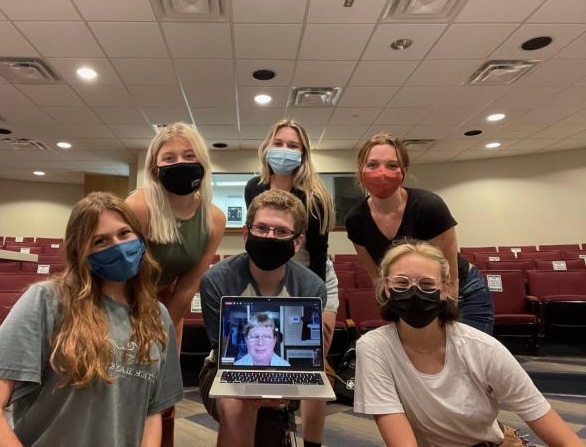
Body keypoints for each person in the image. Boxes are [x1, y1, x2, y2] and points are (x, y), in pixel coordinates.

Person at [0, 192, 183, 447]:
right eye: (101, 241)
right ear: (80, 253)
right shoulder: (48, 301)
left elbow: (151, 413)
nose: (118, 246)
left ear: (140, 238)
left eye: (124, 233)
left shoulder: (157, 316)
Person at [354, 239, 582, 447]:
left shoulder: (482, 348)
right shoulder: (374, 347)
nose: (414, 292)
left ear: (445, 289)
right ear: (386, 287)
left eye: (427, 284)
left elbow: (560, 435)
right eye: (402, 283)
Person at [199, 189, 328, 447]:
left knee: (316, 385)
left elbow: (304, 355)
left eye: (281, 231)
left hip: (288, 371)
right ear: (246, 233)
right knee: (238, 406)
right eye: (262, 228)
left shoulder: (312, 287)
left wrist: (280, 390)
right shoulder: (216, 280)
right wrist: (259, 389)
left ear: (297, 242)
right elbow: (224, 351)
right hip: (224, 369)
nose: (270, 237)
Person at [126, 123, 225, 446]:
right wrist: (141, 328)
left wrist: (162, 329)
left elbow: (189, 283)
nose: (179, 163)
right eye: (169, 157)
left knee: (162, 397)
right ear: (155, 166)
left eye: (188, 155)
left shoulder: (213, 218)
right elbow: (119, 273)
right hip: (122, 304)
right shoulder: (138, 206)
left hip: (170, 310)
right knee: (125, 392)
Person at [245, 120, 337, 445]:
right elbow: (257, 240)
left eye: (293, 145)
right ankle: (269, 427)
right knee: (267, 357)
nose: (284, 150)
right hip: (269, 276)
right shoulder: (254, 188)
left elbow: (318, 256)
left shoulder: (316, 197)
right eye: (279, 143)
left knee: (313, 365)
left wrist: (314, 306)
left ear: (304, 153)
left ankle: (313, 442)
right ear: (267, 147)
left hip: (312, 278)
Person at [345, 133, 494, 334]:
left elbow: (450, 278)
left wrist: (444, 323)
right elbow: (379, 280)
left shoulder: (429, 206)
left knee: (464, 357)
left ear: (404, 171)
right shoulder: (356, 220)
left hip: (460, 293)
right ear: (360, 170)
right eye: (372, 165)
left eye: (392, 165)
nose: (382, 173)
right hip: (409, 297)